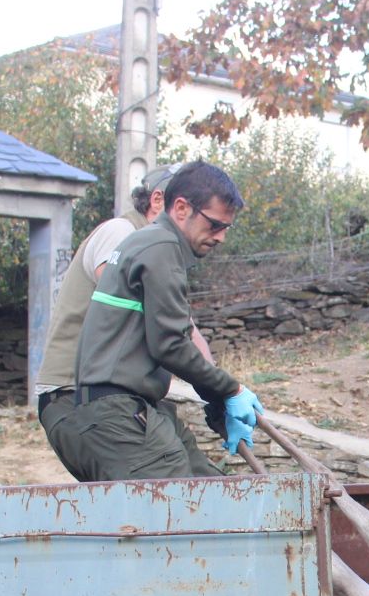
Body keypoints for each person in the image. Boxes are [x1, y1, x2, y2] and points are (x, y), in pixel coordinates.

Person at [51, 161, 261, 481]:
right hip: (115, 410)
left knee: (217, 491)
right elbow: (171, 344)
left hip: (134, 405)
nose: (221, 237)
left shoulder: (152, 243)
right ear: (181, 208)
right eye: (215, 225)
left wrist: (216, 399)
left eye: (226, 228)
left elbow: (172, 335)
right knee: (185, 506)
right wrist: (231, 390)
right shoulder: (160, 246)